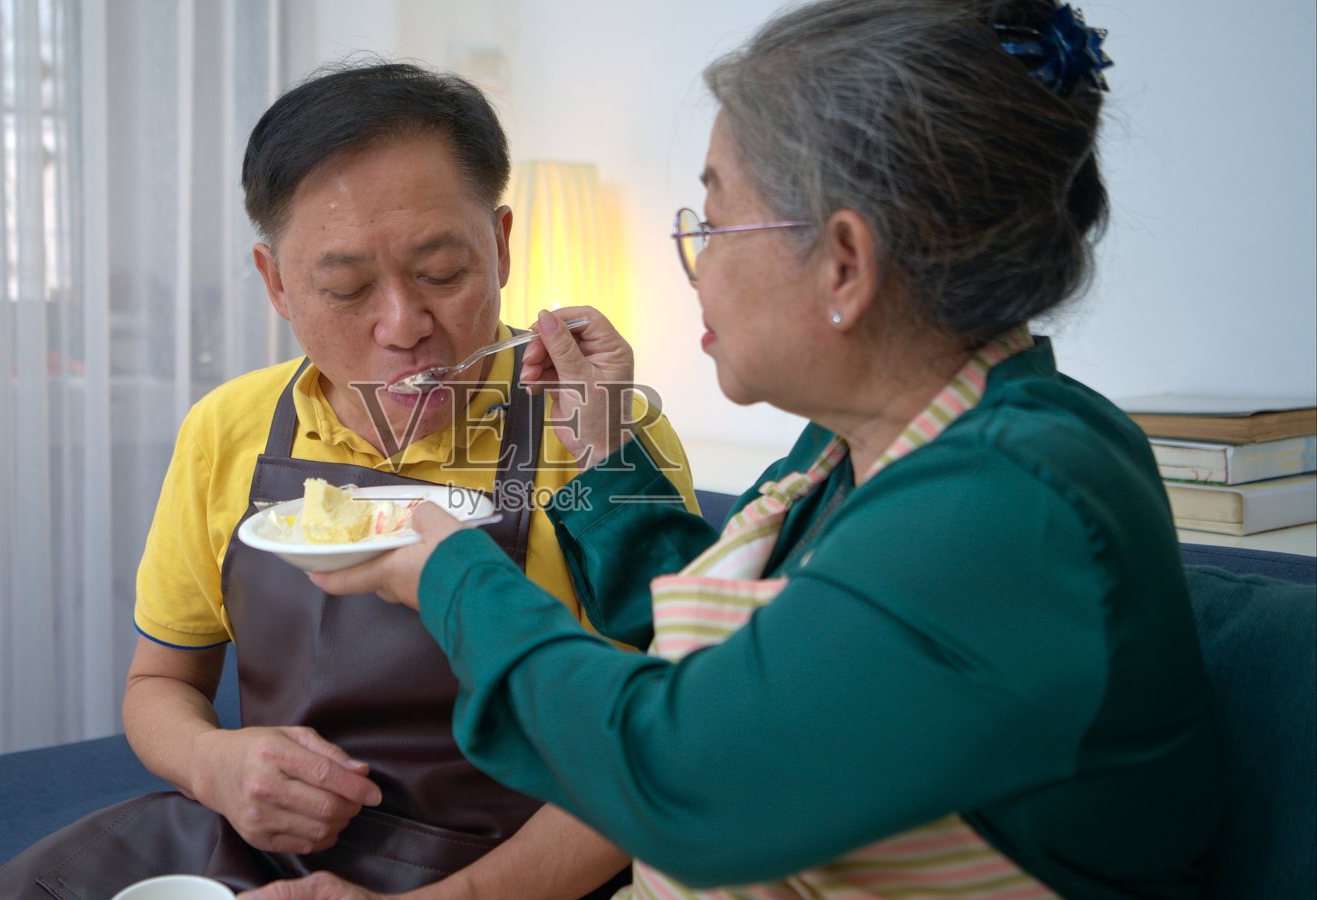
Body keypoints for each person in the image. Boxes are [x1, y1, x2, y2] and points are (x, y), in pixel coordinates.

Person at [269, 2, 1227, 898]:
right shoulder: (850, 451)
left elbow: (681, 775)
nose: (698, 263)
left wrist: (450, 571)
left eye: (717, 222)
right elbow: (726, 654)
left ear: (844, 263)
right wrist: (603, 454)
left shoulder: (1015, 495)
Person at [0, 62, 698, 899]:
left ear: (499, 245)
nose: (403, 326)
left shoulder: (597, 428)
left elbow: (659, 752)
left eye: (442, 274)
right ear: (276, 282)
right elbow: (161, 681)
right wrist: (215, 764)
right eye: (346, 288)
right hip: (258, 854)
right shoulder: (228, 428)